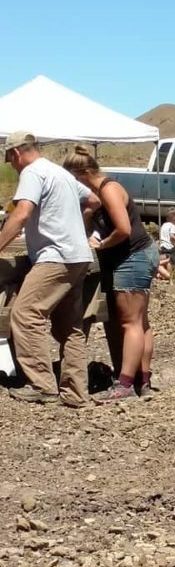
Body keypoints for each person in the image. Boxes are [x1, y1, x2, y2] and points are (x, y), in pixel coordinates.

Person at [0, 132, 99, 407]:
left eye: (9, 159)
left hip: (55, 257)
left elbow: (21, 214)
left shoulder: (32, 173)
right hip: (79, 255)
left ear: (16, 153)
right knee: (70, 326)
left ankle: (42, 385)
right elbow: (93, 201)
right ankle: (76, 393)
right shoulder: (61, 174)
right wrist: (75, 226)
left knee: (25, 313)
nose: (11, 165)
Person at [63, 146, 159, 402]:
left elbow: (124, 229)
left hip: (132, 257)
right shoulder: (99, 194)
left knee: (130, 323)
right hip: (136, 257)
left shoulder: (109, 189)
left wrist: (102, 244)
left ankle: (125, 384)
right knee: (139, 321)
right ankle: (142, 379)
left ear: (82, 173)